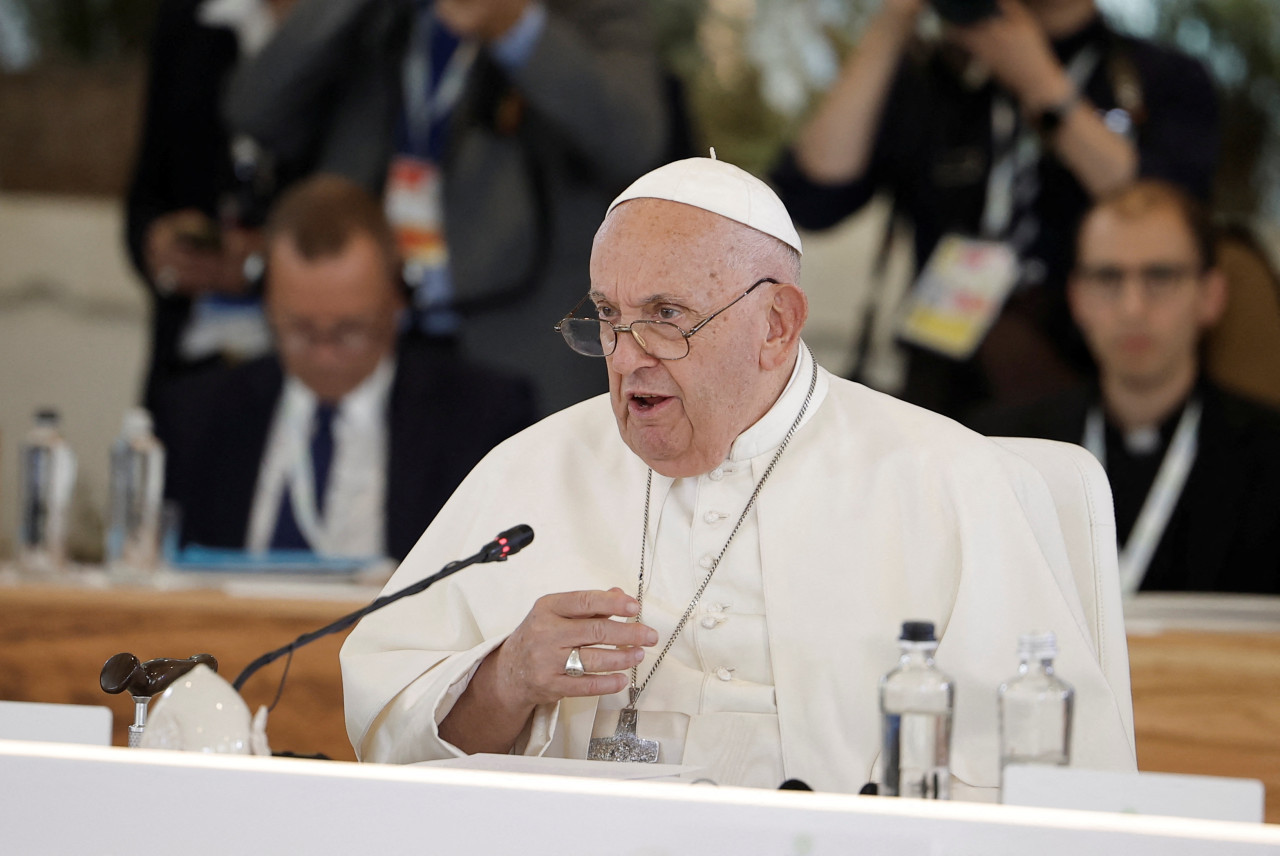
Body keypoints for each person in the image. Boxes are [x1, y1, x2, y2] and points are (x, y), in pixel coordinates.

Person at [340, 157, 1136, 796]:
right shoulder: (529, 472)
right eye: (608, 319)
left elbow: (1058, 785)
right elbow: (394, 746)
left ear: (777, 325)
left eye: (666, 317)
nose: (627, 356)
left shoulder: (948, 483)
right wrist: (505, 678)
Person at [771, 0, 1218, 420]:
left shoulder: (1158, 77)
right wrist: (892, 23)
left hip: (1098, 389)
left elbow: (1170, 219)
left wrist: (1041, 84)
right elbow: (814, 197)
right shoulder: (937, 78)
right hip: (941, 390)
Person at [222, 0, 669, 416]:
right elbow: (253, 109)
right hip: (364, 330)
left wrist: (515, 27)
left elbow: (634, 139)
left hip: (514, 340)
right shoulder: (380, 15)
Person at [162, 175, 536, 561]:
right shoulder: (197, 416)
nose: (324, 355)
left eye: (350, 330)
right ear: (267, 303)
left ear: (398, 300)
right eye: (300, 330)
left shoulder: (480, 418)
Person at [969, 181, 1280, 594]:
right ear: (1077, 299)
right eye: (1108, 278)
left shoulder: (1272, 458)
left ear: (1211, 295)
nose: (1133, 308)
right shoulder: (1007, 451)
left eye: (1160, 276)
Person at [125, 0, 296, 421]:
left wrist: (268, 262)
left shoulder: (363, 25)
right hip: (193, 356)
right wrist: (159, 245)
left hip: (304, 357)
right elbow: (145, 196)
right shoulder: (189, 20)